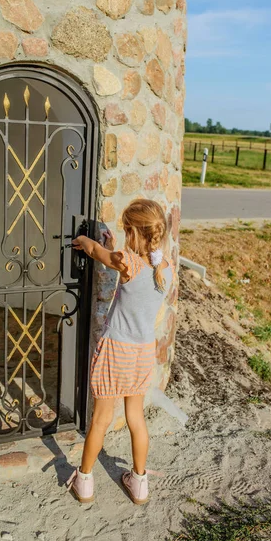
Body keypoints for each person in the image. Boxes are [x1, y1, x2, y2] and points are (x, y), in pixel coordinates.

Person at [66, 198, 174, 505]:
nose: (125, 236)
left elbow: (95, 252)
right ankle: (139, 483)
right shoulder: (165, 268)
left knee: (101, 418)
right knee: (136, 418)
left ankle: (85, 480)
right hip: (142, 353)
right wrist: (115, 246)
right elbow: (132, 275)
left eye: (127, 230)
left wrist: (86, 239)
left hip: (116, 350)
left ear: (135, 233)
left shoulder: (127, 260)